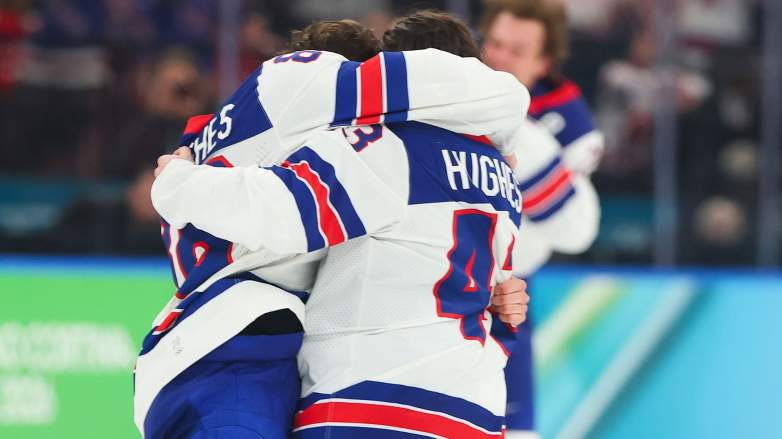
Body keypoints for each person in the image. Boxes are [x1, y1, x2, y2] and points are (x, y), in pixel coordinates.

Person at [135, 19, 531, 438]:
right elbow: (498, 307)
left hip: (364, 399)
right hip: (477, 409)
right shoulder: (506, 182)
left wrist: (176, 180)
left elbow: (288, 210)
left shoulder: (383, 146)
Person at [480, 1, 604, 436]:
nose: (498, 58)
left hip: (506, 295)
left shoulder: (570, 125)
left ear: (544, 63)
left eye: (516, 50)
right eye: (494, 43)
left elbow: (571, 232)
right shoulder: (449, 87)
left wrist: (528, 149)